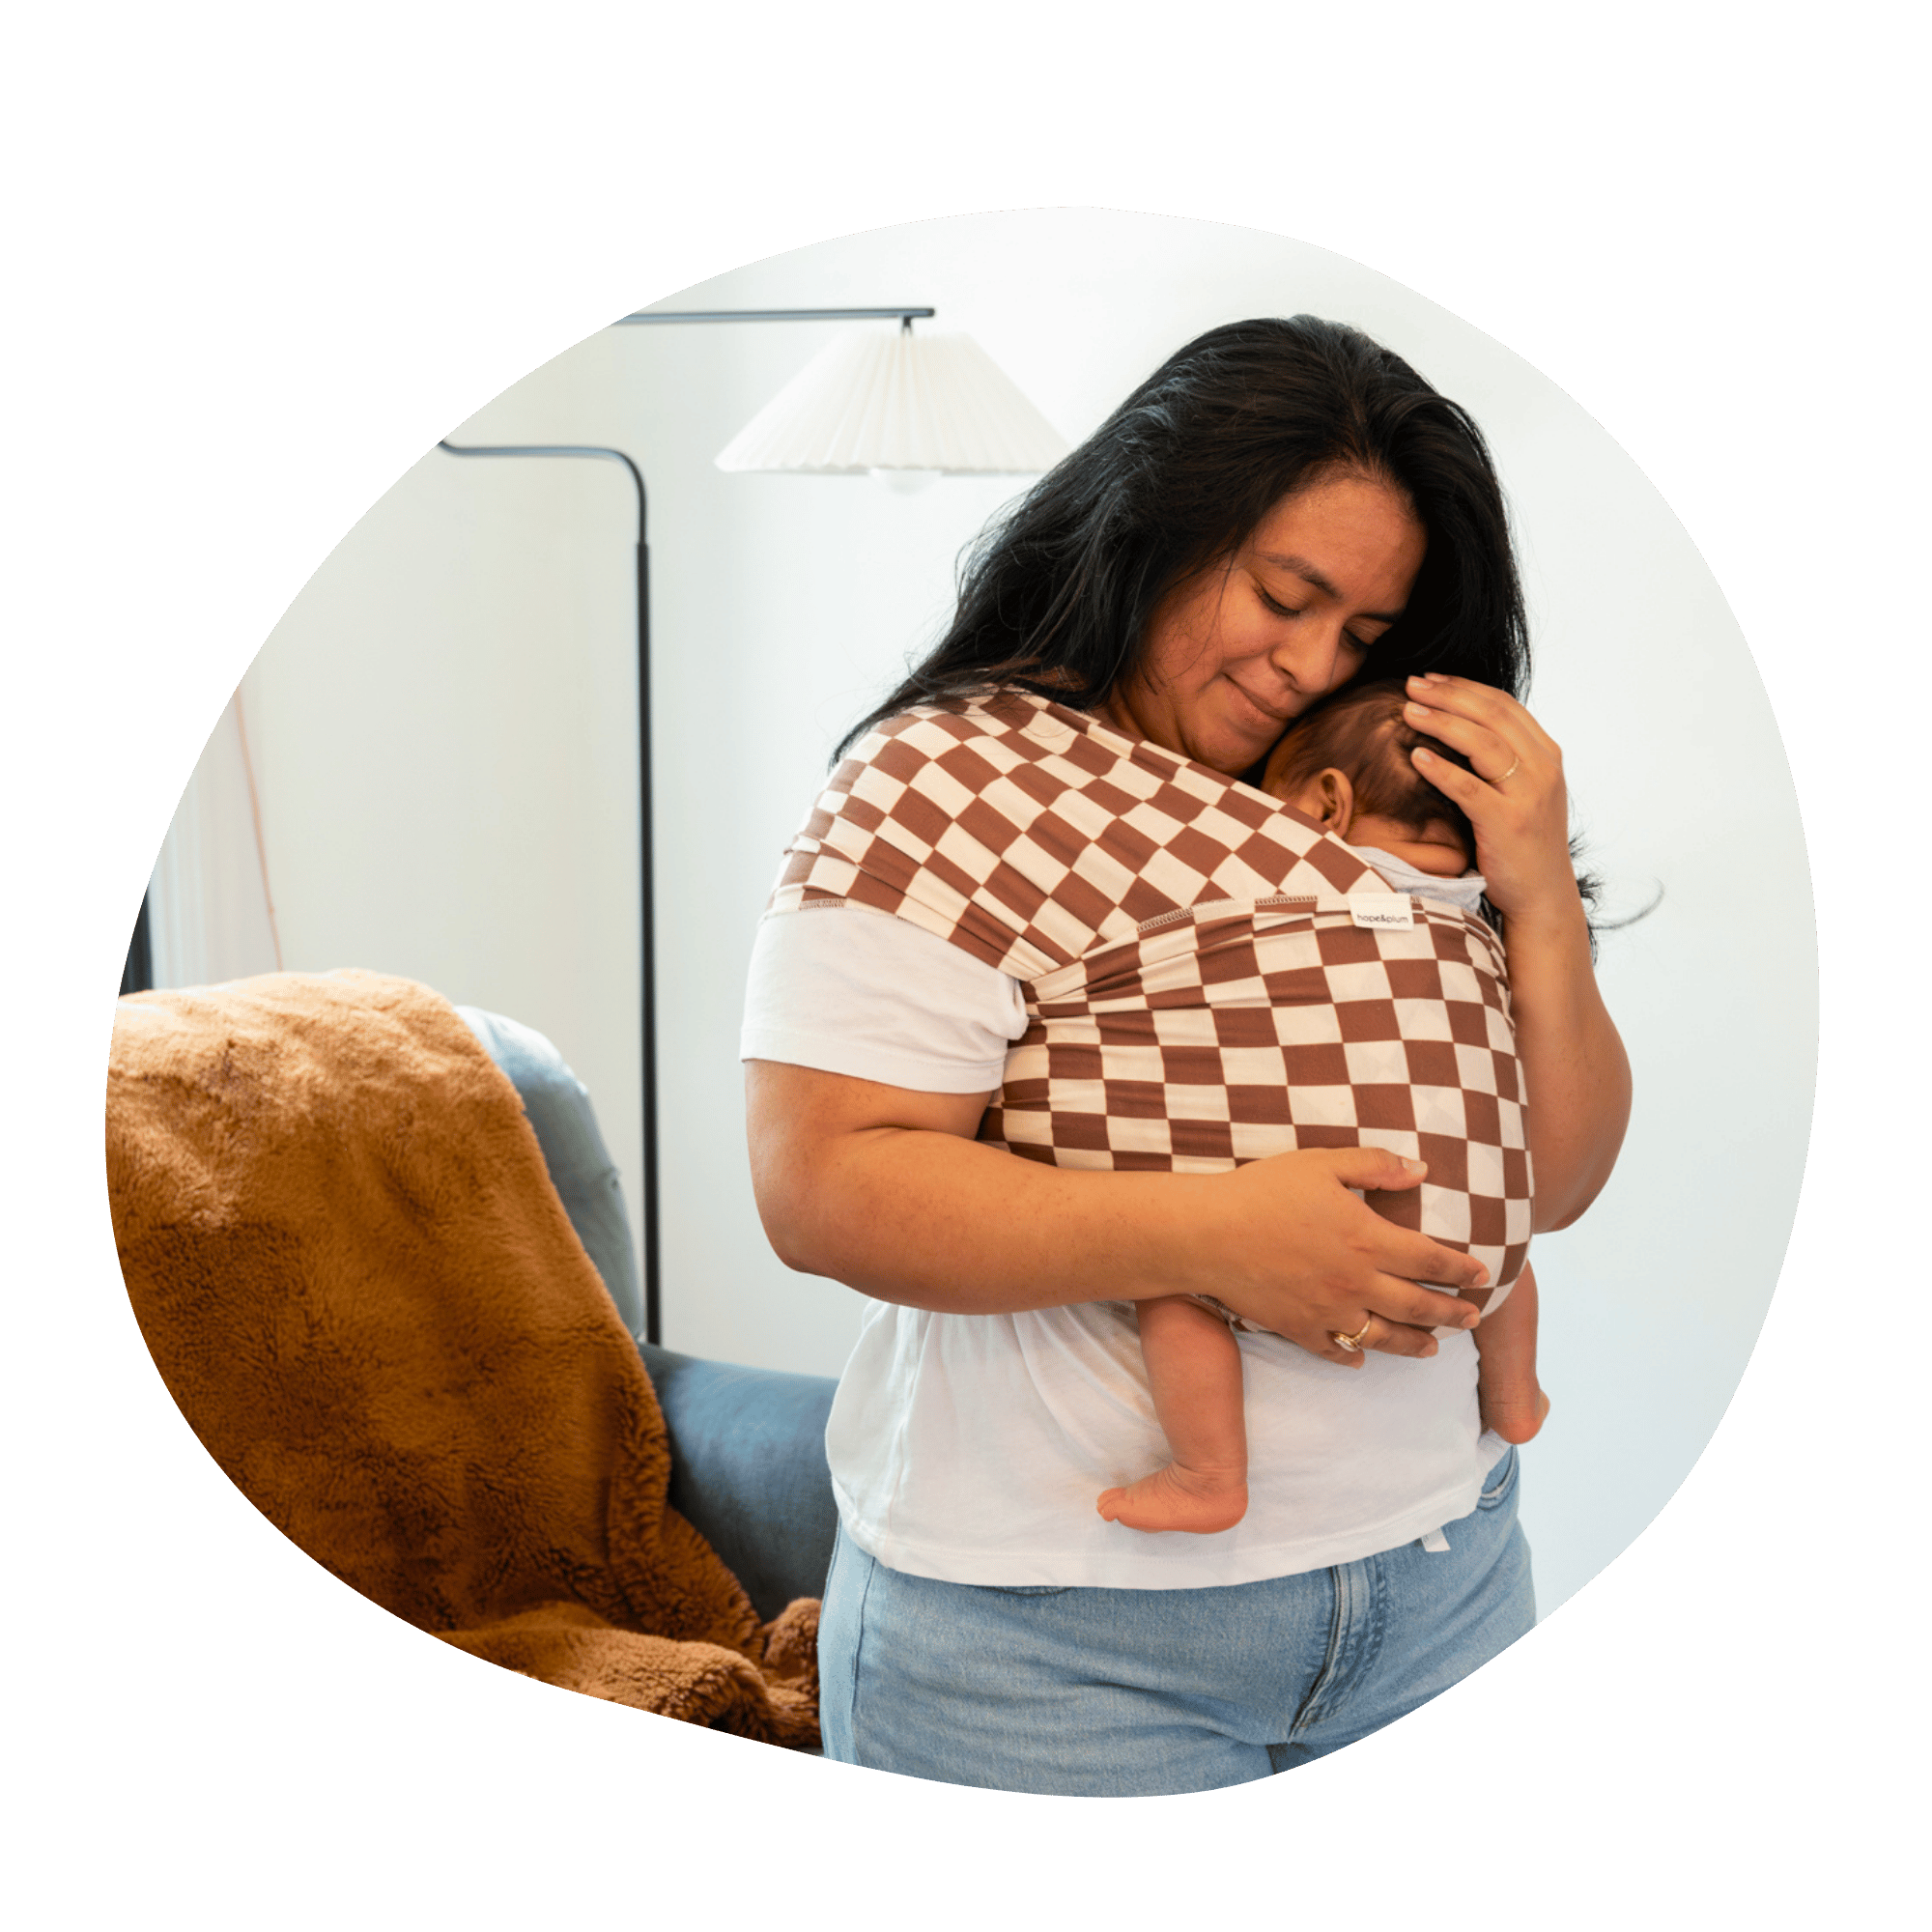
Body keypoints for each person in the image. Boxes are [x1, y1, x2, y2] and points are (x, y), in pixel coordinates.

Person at [741, 316, 1630, 1796]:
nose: (1310, 665)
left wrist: (1540, 896)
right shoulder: (957, 779)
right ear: (1153, 524)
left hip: (1443, 1581)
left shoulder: (1393, 820)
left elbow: (1558, 1183)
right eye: (1285, 596)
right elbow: (820, 1187)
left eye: (1365, 637)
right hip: (1053, 1639)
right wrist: (1216, 1235)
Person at [1096, 679, 1551, 1537]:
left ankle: (1209, 1476)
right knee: (1499, 1251)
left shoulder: (1268, 883)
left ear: (1324, 805)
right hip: (1464, 1203)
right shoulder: (1477, 912)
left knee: (1173, 1292)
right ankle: (1515, 1395)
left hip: (1312, 1198)